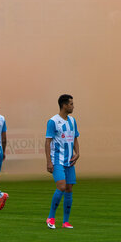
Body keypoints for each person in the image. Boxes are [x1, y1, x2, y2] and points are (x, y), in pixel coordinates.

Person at [45, 94, 80, 229]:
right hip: (57, 160)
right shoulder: (53, 121)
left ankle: (65, 221)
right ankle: (51, 217)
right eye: (71, 104)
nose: (73, 106)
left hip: (69, 161)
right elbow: (47, 142)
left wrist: (78, 153)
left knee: (69, 188)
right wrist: (49, 161)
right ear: (64, 105)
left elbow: (75, 138)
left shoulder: (72, 120)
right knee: (61, 187)